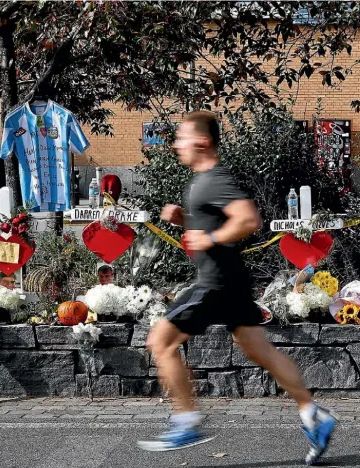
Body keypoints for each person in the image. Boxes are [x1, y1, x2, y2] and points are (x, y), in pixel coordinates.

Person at [138, 112, 336, 464]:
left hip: (216, 283)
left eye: (181, 137)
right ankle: (313, 415)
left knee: (161, 341)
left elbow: (247, 219)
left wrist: (210, 236)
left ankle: (186, 421)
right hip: (232, 281)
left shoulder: (213, 179)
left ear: (201, 141)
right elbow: (212, 227)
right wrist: (185, 221)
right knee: (261, 351)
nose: (175, 144)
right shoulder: (202, 182)